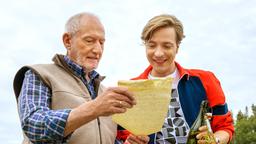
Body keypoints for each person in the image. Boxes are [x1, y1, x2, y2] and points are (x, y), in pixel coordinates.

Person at [13, 12, 149, 144]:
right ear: (67, 41)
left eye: (101, 43)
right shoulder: (39, 74)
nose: (98, 50)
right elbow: (33, 125)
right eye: (89, 41)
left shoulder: (104, 93)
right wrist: (94, 108)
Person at [116, 14, 234, 144]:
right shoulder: (130, 90)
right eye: (152, 45)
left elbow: (225, 128)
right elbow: (120, 136)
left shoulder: (206, 80)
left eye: (166, 46)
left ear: (177, 47)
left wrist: (215, 140)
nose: (158, 53)